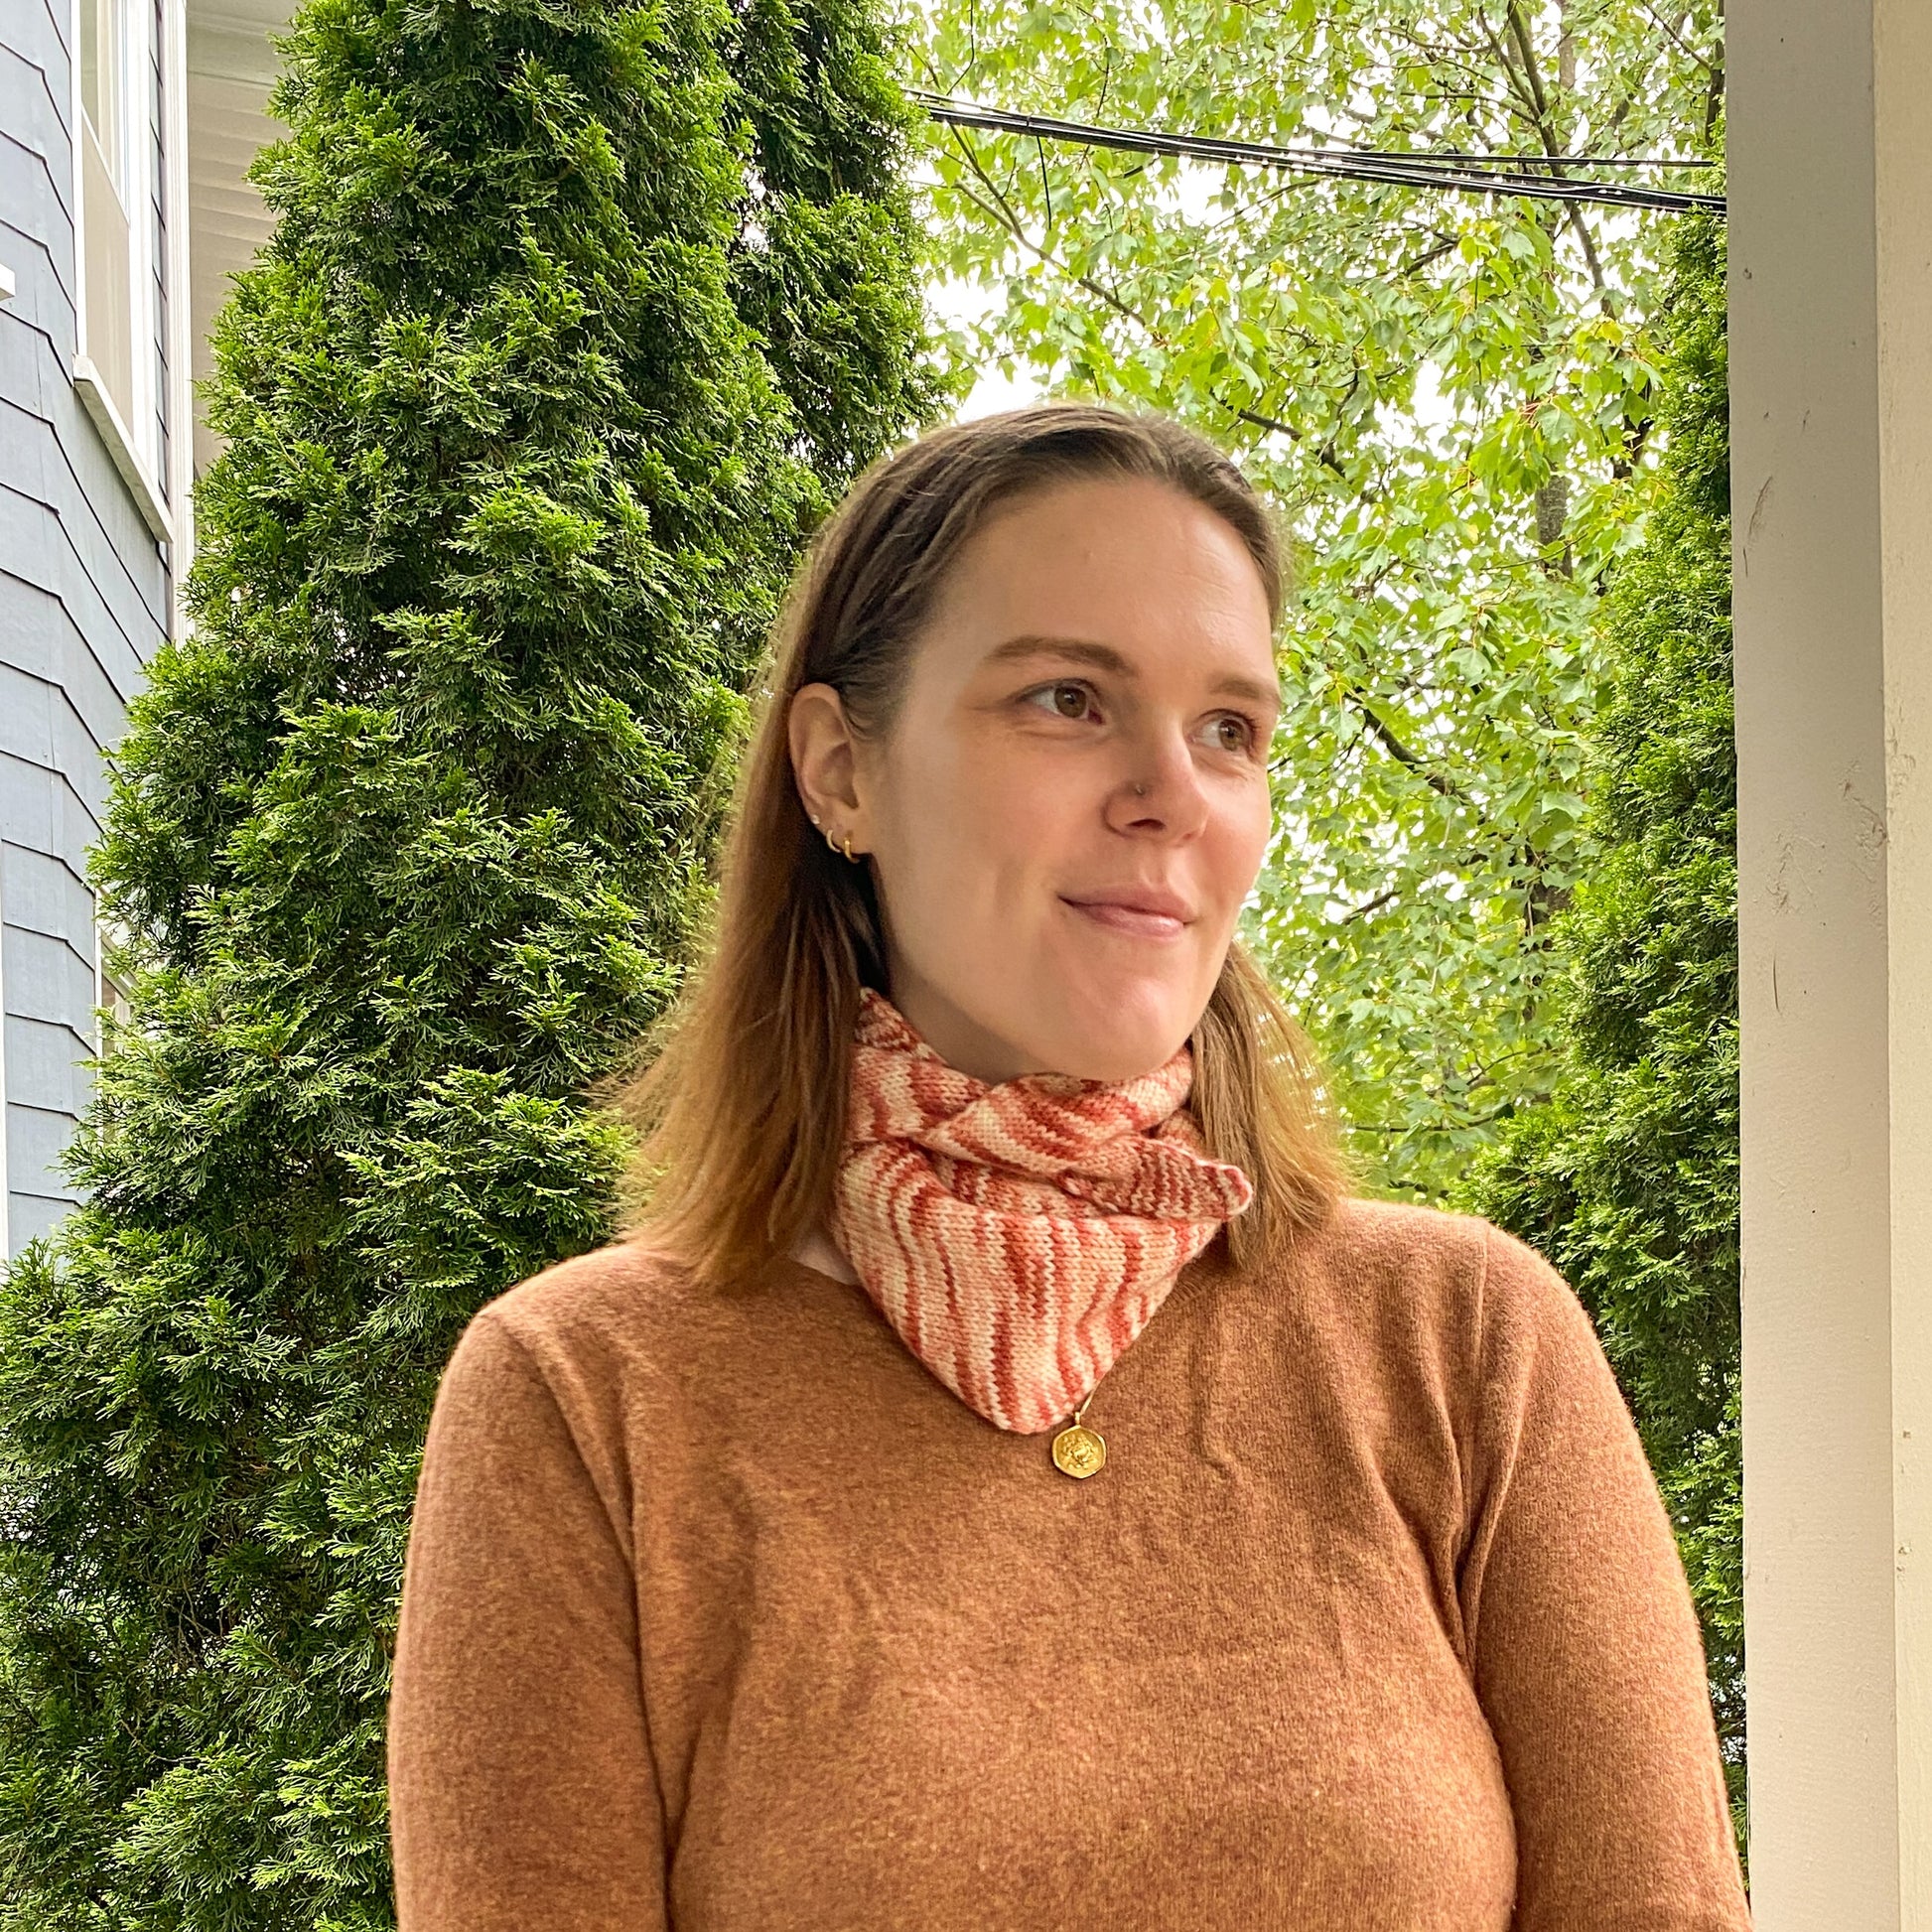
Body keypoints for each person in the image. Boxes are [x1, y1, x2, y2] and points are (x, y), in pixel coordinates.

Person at [384, 402, 1752, 1930]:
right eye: (1067, 699)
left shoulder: (1464, 1345)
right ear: (839, 771)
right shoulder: (583, 1397)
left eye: (1228, 728)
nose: (1171, 790)